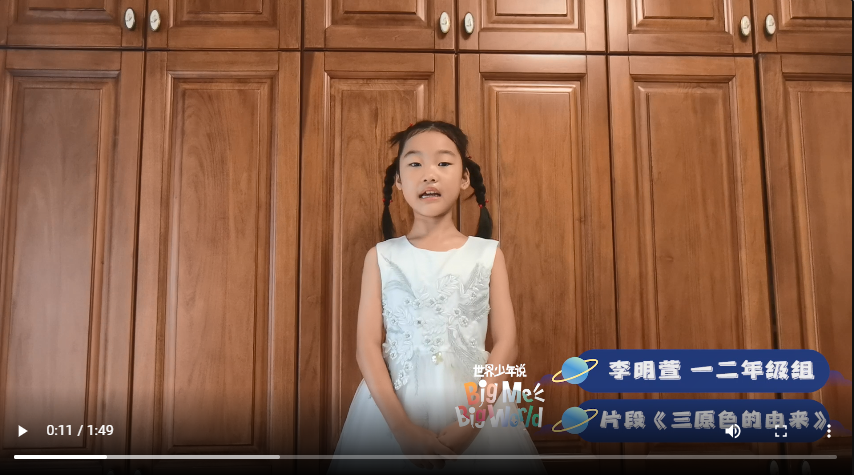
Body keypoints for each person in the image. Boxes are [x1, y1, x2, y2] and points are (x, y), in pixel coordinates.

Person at [327, 121, 547, 473]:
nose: (429, 174)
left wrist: (474, 419)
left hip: (475, 406)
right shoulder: (381, 257)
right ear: (399, 181)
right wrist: (402, 429)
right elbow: (366, 346)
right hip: (392, 413)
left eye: (443, 163)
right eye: (415, 163)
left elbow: (507, 343)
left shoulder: (487, 255)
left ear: (464, 178)